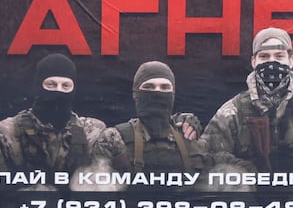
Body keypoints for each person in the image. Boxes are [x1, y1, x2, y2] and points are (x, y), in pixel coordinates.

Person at [202, 27, 293, 174]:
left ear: (291, 60)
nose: (272, 62)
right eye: (264, 56)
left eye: (279, 56)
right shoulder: (232, 112)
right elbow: (207, 156)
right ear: (254, 62)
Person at [82, 61, 220, 188]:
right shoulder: (113, 139)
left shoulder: (189, 135)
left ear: (173, 94)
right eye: (149, 87)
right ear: (136, 94)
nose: (157, 92)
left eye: (165, 87)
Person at [0, 53, 105, 184]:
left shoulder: (92, 132)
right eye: (51, 85)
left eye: (66, 86)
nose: (58, 92)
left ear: (74, 89)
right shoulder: (5, 133)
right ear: (37, 86)